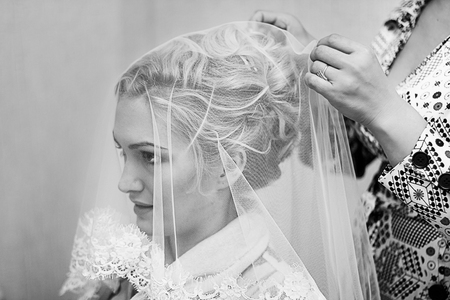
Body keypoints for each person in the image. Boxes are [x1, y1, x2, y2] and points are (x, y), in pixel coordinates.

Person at [60, 22, 376, 300]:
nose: (124, 183)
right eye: (122, 152)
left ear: (229, 166)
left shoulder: (275, 293)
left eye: (151, 157)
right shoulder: (125, 267)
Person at [252, 0, 450, 299]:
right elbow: (359, 151)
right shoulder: (411, 10)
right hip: (368, 269)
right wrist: (314, 63)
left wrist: (383, 109)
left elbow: (382, 112)